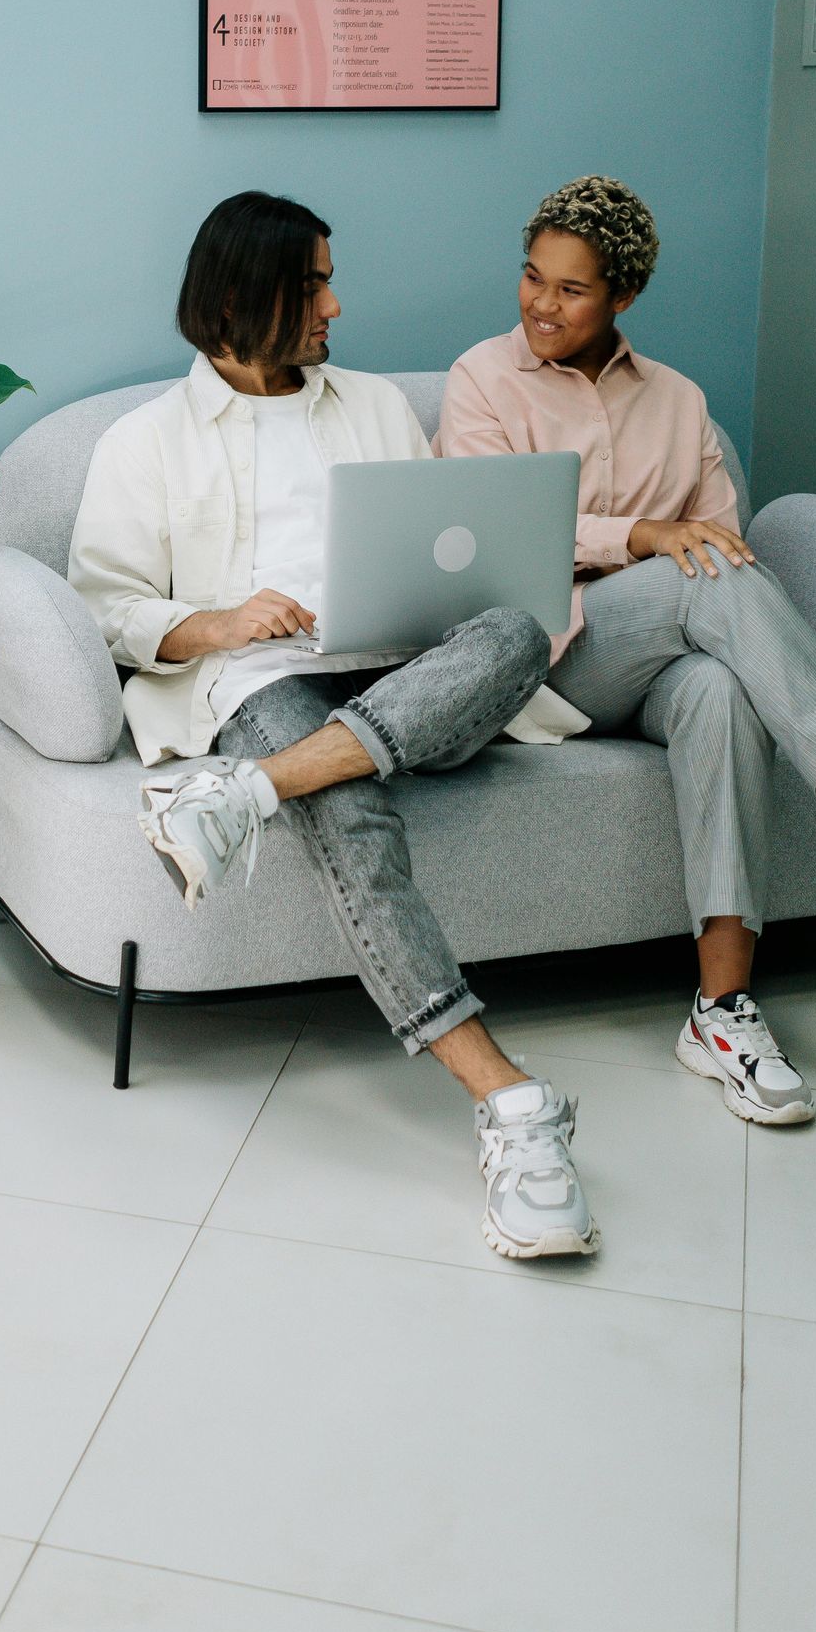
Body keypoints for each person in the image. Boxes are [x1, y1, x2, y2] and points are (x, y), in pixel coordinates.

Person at [438, 174, 816, 1127]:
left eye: (572, 289)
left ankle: (722, 1015)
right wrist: (642, 537)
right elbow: (497, 537)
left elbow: (727, 552)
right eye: (532, 277)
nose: (540, 305)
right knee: (704, 578)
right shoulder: (481, 378)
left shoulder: (680, 403)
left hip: (661, 663)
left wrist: (679, 552)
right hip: (547, 656)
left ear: (623, 297)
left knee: (724, 687)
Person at [69, 190, 600, 1262]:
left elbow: (443, 556)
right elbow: (103, 607)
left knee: (511, 628)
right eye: (316, 284)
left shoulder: (371, 409)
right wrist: (215, 620)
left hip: (402, 663)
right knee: (352, 813)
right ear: (245, 294)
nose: (336, 306)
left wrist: (427, 621)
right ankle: (510, 1106)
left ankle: (247, 796)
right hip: (248, 679)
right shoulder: (143, 440)